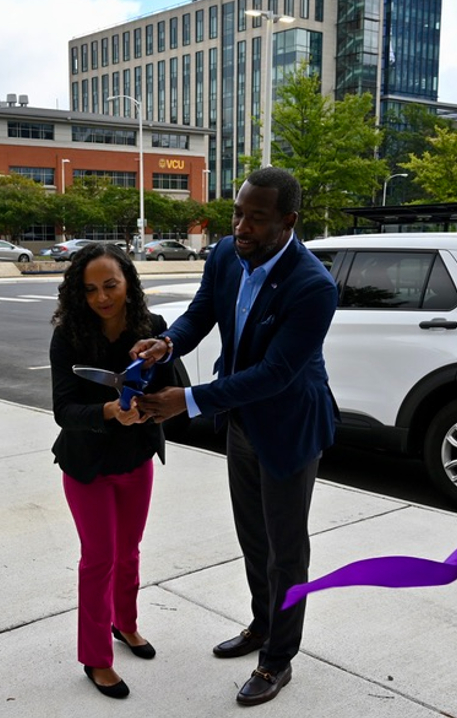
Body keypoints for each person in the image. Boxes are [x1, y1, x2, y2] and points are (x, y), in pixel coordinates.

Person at [133, 167, 338, 707]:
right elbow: (202, 312)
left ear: (288, 221)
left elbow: (275, 374)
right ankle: (260, 624)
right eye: (238, 213)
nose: (242, 225)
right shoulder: (226, 253)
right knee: (253, 536)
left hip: (289, 425)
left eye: (257, 217)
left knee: (286, 550)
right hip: (241, 421)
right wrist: (167, 344)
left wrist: (190, 399)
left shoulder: (312, 285)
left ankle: (278, 659)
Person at [49, 243, 175, 699]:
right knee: (99, 559)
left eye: (110, 285)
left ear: (129, 283)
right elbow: (64, 409)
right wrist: (108, 410)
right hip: (87, 465)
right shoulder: (69, 337)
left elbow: (171, 387)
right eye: (90, 289)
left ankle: (127, 624)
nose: (101, 297)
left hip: (136, 459)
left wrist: (151, 408)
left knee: (130, 552)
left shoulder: (153, 330)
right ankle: (96, 658)